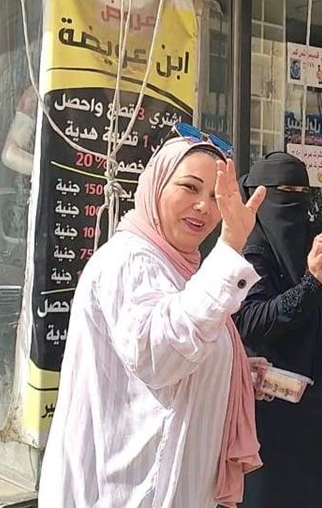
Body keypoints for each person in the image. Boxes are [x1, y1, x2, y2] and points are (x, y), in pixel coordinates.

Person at [39, 136, 269, 508]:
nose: (203, 207)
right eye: (190, 187)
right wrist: (229, 246)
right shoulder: (131, 260)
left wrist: (235, 370)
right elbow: (159, 355)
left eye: (215, 197)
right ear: (156, 186)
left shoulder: (178, 266)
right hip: (125, 490)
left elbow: (184, 341)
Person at [232, 152, 322, 508]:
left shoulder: (305, 240)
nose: (294, 203)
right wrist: (311, 283)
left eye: (302, 193)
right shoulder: (251, 251)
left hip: (305, 396)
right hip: (264, 401)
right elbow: (253, 323)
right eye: (285, 193)